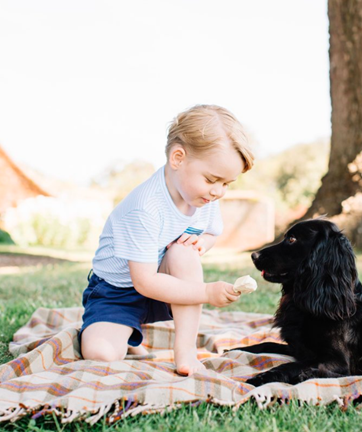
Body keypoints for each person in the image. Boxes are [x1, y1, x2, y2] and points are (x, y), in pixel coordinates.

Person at [79, 104, 255, 376]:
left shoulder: (203, 196)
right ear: (178, 158)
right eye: (212, 179)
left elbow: (210, 233)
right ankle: (124, 332)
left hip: (167, 284)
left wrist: (200, 245)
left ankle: (185, 351)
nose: (219, 191)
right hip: (118, 291)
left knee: (184, 253)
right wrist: (207, 292)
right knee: (101, 355)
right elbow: (144, 282)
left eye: (227, 183)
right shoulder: (145, 208)